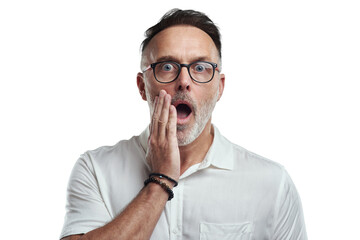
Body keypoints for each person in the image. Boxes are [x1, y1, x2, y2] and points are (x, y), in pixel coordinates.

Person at [60, 9, 307, 240]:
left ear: (219, 87)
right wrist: (162, 179)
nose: (184, 81)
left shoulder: (272, 184)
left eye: (200, 68)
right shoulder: (96, 170)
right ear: (142, 87)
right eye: (167, 67)